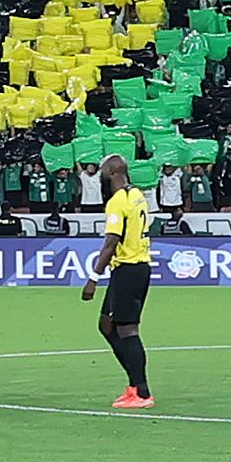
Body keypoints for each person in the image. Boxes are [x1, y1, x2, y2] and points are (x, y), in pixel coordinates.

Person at [82, 162, 157, 411]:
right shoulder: (136, 194)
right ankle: (134, 385)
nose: (101, 177)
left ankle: (141, 391)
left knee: (128, 331)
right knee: (106, 324)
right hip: (132, 268)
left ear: (113, 173)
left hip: (129, 269)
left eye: (103, 172)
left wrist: (93, 278)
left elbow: (111, 242)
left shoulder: (117, 201)